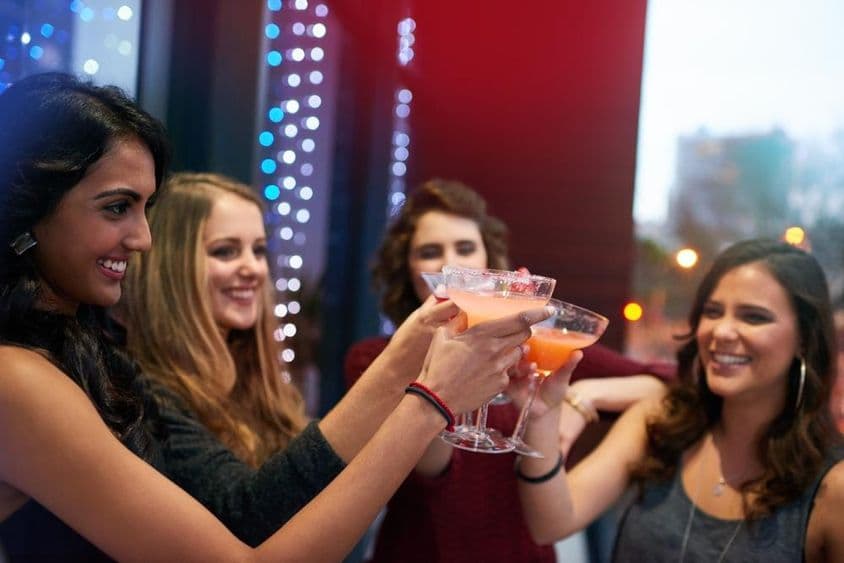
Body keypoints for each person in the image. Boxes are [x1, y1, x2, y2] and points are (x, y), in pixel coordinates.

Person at [0, 73, 551, 562]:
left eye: (259, 251)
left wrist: (413, 353)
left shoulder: (88, 356)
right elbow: (252, 533)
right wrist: (431, 402)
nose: (143, 238)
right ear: (27, 205)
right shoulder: (19, 378)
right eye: (117, 207)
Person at [344, 178, 672, 562]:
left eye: (465, 248)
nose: (451, 264)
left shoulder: (530, 342)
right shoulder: (376, 360)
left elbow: (666, 381)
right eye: (431, 252)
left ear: (487, 261)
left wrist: (581, 400)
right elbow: (431, 468)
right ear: (410, 269)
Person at [519, 239, 844, 562]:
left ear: (804, 338)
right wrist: (541, 418)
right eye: (713, 312)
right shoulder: (664, 418)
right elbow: (551, 523)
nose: (722, 332)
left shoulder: (833, 486)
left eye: (754, 317)